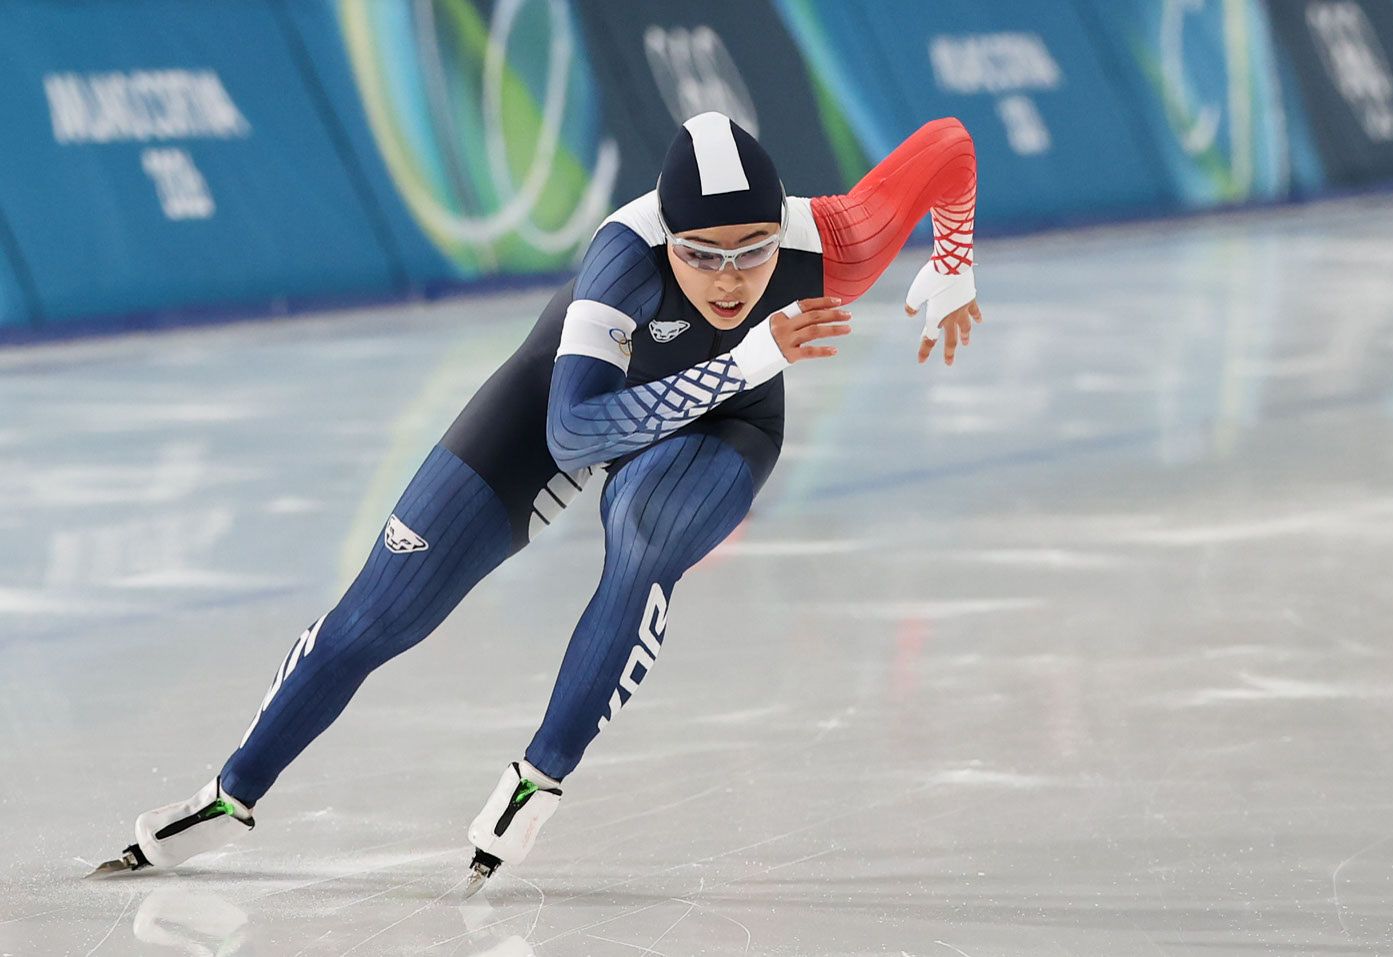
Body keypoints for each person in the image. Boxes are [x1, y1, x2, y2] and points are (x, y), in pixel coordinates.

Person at [90, 112, 981, 891]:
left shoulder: (836, 242)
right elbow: (576, 435)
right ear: (665, 237)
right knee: (377, 612)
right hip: (570, 399)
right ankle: (231, 792)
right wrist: (752, 354)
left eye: (752, 250)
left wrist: (954, 261)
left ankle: (540, 774)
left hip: (726, 423)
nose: (732, 278)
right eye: (703, 254)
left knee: (642, 533)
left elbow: (950, 146)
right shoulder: (621, 265)